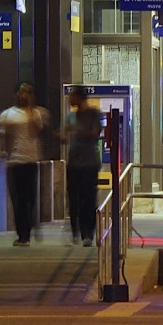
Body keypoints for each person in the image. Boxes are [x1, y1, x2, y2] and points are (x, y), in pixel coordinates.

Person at [0, 82, 48, 246]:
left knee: (30, 198)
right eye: (21, 92)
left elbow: (39, 129)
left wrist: (31, 109)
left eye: (27, 93)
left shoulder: (34, 114)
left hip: (31, 161)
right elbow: (1, 136)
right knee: (18, 200)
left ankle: (31, 227)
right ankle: (23, 235)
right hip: (15, 162)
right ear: (16, 94)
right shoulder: (7, 114)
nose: (23, 95)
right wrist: (1, 151)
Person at [62, 86, 103, 246]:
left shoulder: (93, 114)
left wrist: (76, 131)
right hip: (73, 163)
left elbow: (95, 134)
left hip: (89, 163)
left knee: (88, 199)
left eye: (72, 96)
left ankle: (88, 234)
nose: (70, 99)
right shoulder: (70, 116)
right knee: (73, 199)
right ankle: (75, 232)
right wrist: (62, 136)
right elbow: (65, 135)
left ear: (80, 97)